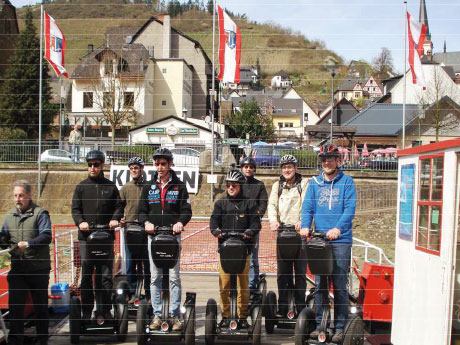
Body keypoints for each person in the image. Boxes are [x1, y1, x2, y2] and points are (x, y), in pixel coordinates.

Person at [301, 143, 357, 343]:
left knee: (339, 283)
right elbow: (307, 207)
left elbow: (350, 210)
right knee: (320, 284)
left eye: (330, 159)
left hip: (340, 240)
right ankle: (319, 325)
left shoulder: (347, 182)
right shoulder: (314, 183)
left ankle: (340, 326)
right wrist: (305, 226)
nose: (326, 162)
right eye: (324, 159)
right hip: (319, 239)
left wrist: (338, 229)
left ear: (338, 161)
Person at [138, 148, 192, 332]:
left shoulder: (179, 186)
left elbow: (186, 211)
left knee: (174, 277)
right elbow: (141, 211)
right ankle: (157, 314)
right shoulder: (148, 186)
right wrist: (145, 223)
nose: (159, 167)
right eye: (157, 163)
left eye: (163, 163)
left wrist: (179, 223)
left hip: (173, 238)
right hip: (154, 238)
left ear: (170, 164)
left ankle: (175, 315)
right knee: (155, 278)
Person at [71, 150, 123, 321]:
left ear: (102, 166)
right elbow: (75, 209)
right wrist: (81, 223)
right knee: (87, 276)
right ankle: (86, 312)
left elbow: (119, 207)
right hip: (86, 238)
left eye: (96, 165)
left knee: (106, 276)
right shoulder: (81, 187)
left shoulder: (111, 187)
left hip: (105, 237)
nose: (92, 168)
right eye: (89, 165)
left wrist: (115, 219)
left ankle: (106, 310)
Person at [0, 180, 52, 345]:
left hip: (38, 268)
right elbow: (4, 238)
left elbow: (46, 236)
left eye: (21, 195)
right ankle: (16, 340)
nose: (18, 199)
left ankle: (42, 339)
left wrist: (28, 244)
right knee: (15, 307)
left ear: (29, 195)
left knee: (40, 307)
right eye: (15, 196)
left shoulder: (40, 213)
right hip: (18, 269)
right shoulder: (9, 216)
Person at [210, 169, 261, 329]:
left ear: (240, 186)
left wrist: (250, 231)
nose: (231, 187)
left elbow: (256, 223)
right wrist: (215, 231)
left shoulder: (249, 203)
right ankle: (225, 316)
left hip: (243, 250)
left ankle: (242, 316)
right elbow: (213, 220)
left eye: (234, 185)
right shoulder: (221, 203)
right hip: (225, 250)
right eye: (228, 185)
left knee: (242, 285)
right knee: (224, 284)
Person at [267, 154, 309, 317]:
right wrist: (272, 220)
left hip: (299, 233)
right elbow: (272, 205)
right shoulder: (277, 185)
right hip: (282, 232)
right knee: (282, 273)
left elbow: (306, 204)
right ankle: (283, 307)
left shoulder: (304, 184)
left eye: (290, 167)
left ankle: (300, 308)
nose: (287, 170)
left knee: (300, 274)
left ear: (295, 168)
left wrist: (302, 221)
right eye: (284, 167)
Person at [118, 157, 150, 303]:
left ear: (141, 169)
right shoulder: (125, 188)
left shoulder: (149, 186)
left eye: (136, 168)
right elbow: (118, 207)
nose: (133, 171)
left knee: (147, 264)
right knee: (130, 263)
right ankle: (132, 294)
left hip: (146, 231)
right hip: (130, 230)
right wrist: (119, 218)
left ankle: (149, 294)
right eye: (131, 168)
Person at [239, 156, 268, 294]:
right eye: (246, 167)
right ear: (242, 168)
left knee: (252, 257)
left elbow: (263, 204)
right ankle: (239, 284)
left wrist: (256, 217)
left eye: (251, 167)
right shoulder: (236, 184)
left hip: (252, 226)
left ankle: (251, 286)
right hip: (238, 225)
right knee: (237, 255)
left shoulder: (259, 185)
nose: (248, 169)